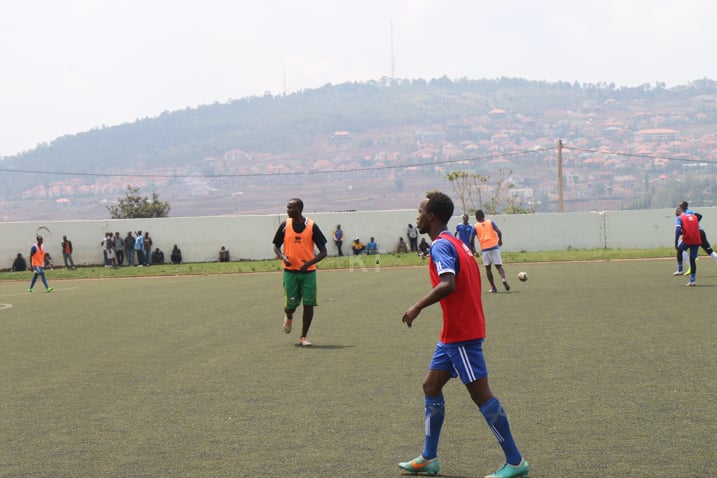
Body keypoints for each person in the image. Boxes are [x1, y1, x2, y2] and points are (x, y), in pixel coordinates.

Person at [398, 191, 529, 478]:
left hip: (461, 334)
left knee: (482, 396)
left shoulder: (441, 247)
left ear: (431, 216)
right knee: (431, 386)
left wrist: (417, 306)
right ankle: (429, 458)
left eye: (420, 212)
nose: (417, 217)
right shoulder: (457, 242)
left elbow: (449, 284)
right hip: (453, 333)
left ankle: (516, 462)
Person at [272, 198, 328, 347]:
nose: (287, 211)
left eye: (291, 208)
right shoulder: (285, 225)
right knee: (290, 305)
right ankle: (288, 316)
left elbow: (323, 252)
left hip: (308, 273)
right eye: (287, 208)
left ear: (300, 209)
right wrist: (283, 256)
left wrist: (309, 263)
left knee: (309, 305)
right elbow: (276, 245)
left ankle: (304, 336)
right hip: (290, 272)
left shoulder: (311, 226)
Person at [471, 210, 510, 293]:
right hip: (494, 246)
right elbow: (499, 232)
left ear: (476, 217)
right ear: (484, 216)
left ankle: (493, 287)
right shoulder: (490, 222)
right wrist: (500, 241)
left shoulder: (475, 226)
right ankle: (503, 279)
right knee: (499, 266)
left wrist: (473, 250)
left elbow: (471, 239)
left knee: (488, 268)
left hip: (485, 249)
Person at [675, 206, 701, 286]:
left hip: (688, 239)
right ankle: (692, 281)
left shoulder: (680, 217)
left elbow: (678, 230)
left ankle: (680, 270)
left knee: (679, 249)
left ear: (678, 213)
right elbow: (699, 218)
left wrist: (676, 241)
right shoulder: (694, 216)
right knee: (692, 260)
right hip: (697, 239)